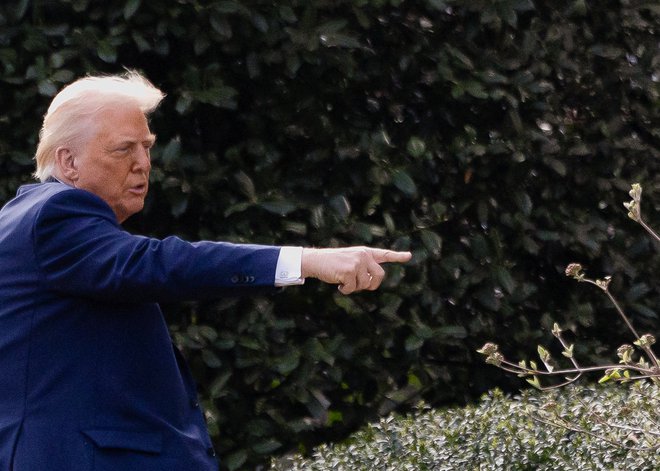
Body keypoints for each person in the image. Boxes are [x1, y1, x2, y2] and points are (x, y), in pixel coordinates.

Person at [0, 71, 411, 470]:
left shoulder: (24, 218)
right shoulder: (56, 214)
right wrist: (307, 260)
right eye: (123, 150)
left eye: (147, 147)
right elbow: (158, 263)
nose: (143, 163)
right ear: (68, 161)